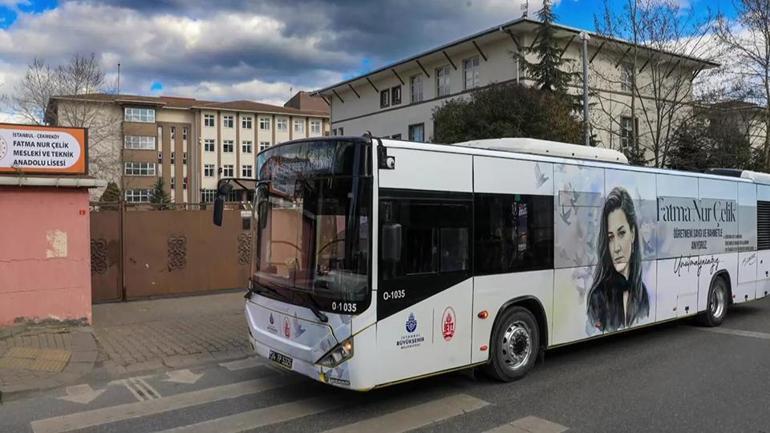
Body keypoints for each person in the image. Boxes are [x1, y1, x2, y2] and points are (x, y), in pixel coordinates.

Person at [587, 187, 650, 333]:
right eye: (610, 237)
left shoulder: (642, 294)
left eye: (621, 233)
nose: (616, 248)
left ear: (633, 234)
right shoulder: (598, 297)